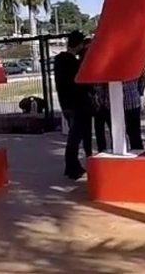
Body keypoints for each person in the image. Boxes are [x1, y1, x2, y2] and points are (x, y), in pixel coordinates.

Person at [54, 30, 92, 179]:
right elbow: (81, 82)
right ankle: (72, 166)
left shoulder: (59, 61)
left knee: (74, 136)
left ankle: (73, 165)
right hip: (77, 104)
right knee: (75, 137)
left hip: (66, 104)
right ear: (79, 45)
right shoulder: (74, 63)